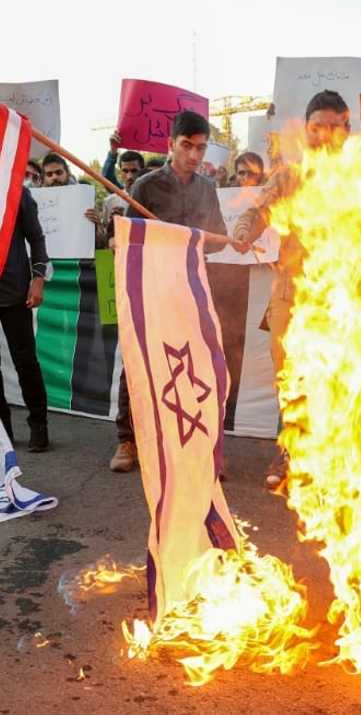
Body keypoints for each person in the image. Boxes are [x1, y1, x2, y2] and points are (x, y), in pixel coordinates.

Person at [230, 89, 351, 488]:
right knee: (292, 378)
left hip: (343, 298)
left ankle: (337, 461)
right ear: (307, 130)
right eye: (317, 127)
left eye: (334, 127)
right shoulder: (288, 177)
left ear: (346, 129)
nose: (325, 135)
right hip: (291, 295)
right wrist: (245, 230)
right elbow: (257, 211)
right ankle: (291, 454)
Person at [108, 110, 227, 473]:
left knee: (197, 364)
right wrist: (139, 239)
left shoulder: (207, 189)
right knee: (138, 360)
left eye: (200, 148)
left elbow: (217, 239)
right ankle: (127, 439)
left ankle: (199, 444)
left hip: (192, 288)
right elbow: (125, 238)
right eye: (187, 145)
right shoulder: (145, 186)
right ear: (170, 144)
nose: (194, 154)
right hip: (152, 287)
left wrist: (218, 239)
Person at [0, 184, 50, 453]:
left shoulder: (16, 190)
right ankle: (0, 428)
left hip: (15, 292)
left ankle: (39, 425)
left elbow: (36, 238)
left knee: (25, 362)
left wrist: (38, 279)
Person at [91, 150, 145, 249]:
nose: (129, 176)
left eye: (134, 171)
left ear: (142, 171)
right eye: (125, 171)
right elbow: (104, 235)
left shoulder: (151, 199)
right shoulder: (110, 201)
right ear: (120, 172)